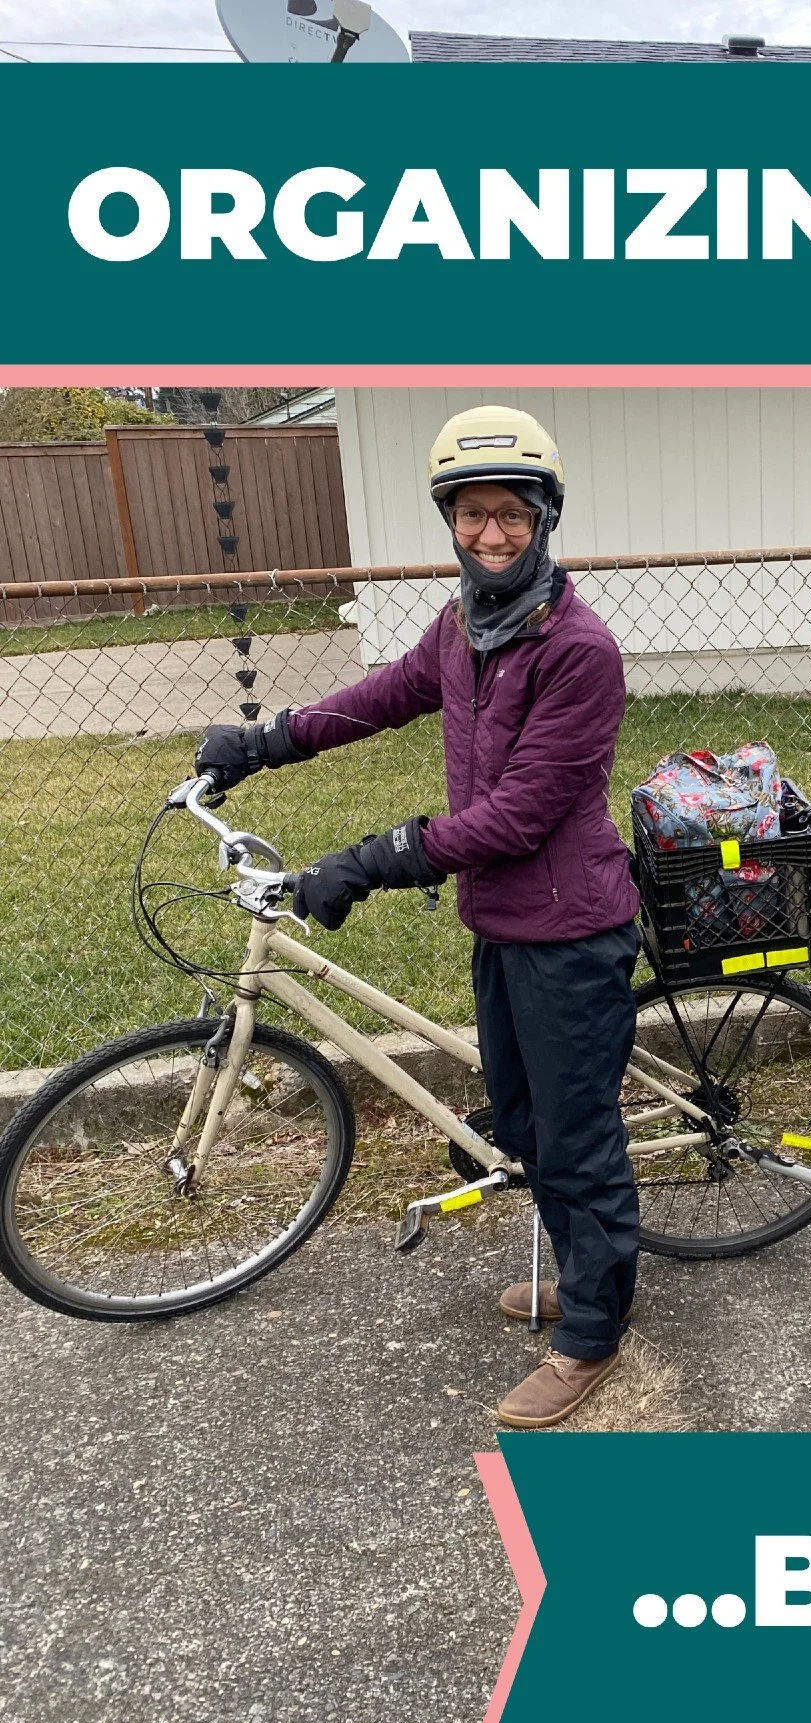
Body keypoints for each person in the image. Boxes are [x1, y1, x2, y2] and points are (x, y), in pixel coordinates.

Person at [194, 405, 642, 1429]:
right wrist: (266, 742)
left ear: (545, 518)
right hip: (504, 923)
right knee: (522, 1123)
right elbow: (383, 696)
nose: (492, 533)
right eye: (472, 514)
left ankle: (593, 1331)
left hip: (571, 931)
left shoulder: (578, 649)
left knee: (576, 1139)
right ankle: (590, 1278)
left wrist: (372, 860)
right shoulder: (465, 628)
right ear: (450, 521)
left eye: (512, 515)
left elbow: (520, 814)